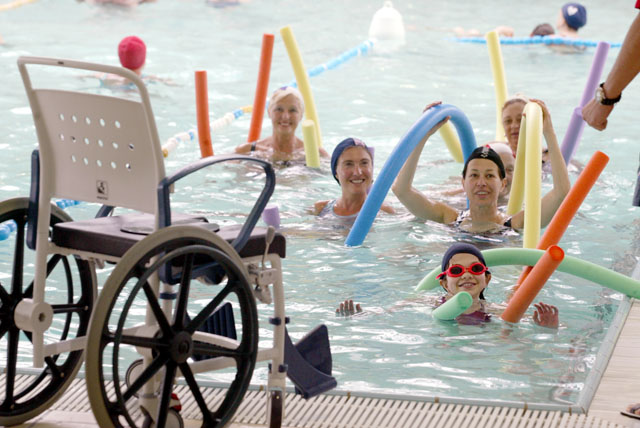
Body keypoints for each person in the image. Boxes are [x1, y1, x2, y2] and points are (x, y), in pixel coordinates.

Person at [391, 101, 569, 233]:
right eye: (474, 175)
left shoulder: (516, 224)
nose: (481, 182)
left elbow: (561, 192)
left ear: (503, 184)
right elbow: (401, 190)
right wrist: (424, 135)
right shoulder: (448, 218)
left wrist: (548, 132)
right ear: (463, 183)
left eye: (490, 175)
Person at [337, 242, 559, 328]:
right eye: (456, 271)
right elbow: (387, 314)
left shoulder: (493, 310)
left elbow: (523, 324)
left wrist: (547, 326)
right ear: (444, 283)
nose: (467, 275)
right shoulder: (428, 303)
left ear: (487, 279)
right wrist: (359, 316)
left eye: (475, 269)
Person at [235, 86, 328, 164]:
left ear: (301, 115)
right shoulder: (246, 151)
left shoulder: (316, 154)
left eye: (292, 110)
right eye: (279, 109)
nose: (285, 116)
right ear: (269, 112)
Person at [314, 138, 394, 220]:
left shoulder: (383, 212)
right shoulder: (320, 209)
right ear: (336, 172)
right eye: (348, 164)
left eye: (364, 163)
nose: (357, 172)